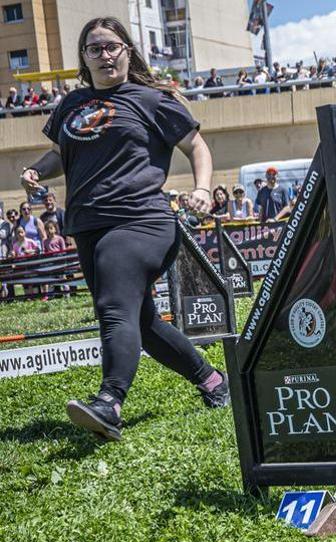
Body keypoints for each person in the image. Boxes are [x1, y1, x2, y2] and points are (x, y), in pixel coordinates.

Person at [20, 16, 228, 440]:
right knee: (142, 322)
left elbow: (196, 145)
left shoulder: (151, 99)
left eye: (112, 46)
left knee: (114, 309)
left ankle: (110, 403)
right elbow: (61, 153)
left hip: (141, 219)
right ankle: (214, 382)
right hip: (88, 224)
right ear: (84, 57)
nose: (105, 55)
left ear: (127, 50)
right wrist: (36, 171)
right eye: (95, 48)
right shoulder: (71, 104)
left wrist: (203, 188)